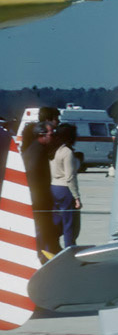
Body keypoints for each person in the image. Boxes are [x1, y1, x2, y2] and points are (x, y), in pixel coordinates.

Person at [20, 108, 60, 256]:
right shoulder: (37, 153)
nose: (53, 136)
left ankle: (49, 252)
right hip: (38, 199)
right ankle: (41, 255)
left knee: (46, 229)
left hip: (39, 198)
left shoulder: (36, 150)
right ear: (41, 136)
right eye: (51, 134)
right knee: (41, 229)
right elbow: (31, 176)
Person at [48, 122, 82, 251]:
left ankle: (51, 247)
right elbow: (70, 177)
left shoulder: (53, 150)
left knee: (56, 222)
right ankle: (70, 248)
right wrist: (77, 197)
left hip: (54, 187)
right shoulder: (67, 152)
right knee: (69, 224)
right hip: (65, 189)